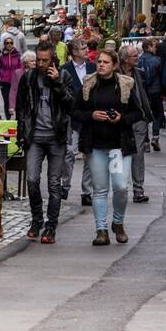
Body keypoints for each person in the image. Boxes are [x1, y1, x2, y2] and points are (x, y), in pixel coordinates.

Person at [71, 46, 143, 245]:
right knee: (100, 189)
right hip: (96, 145)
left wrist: (121, 119)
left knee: (120, 186)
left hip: (119, 146)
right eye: (99, 62)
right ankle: (101, 230)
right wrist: (90, 115)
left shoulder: (125, 85)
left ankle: (117, 222)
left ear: (114, 65)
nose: (101, 65)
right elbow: (75, 111)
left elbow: (138, 113)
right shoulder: (89, 84)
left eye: (105, 62)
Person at [16, 43, 74, 244]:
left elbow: (71, 104)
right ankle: (37, 219)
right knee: (32, 179)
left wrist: (57, 82)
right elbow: (21, 108)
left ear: (53, 60)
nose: (40, 64)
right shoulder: (29, 78)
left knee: (53, 184)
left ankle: (51, 226)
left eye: (44, 60)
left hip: (56, 137)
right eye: (38, 60)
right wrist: (21, 134)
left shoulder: (64, 76)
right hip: (35, 137)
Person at [61, 39, 93, 206]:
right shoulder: (64, 70)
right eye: (83, 47)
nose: (87, 49)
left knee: (90, 154)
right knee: (69, 153)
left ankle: (87, 191)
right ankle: (64, 185)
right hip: (72, 117)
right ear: (74, 52)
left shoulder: (93, 67)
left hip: (90, 117)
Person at [123, 43, 152, 203]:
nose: (137, 58)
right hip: (120, 121)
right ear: (125, 59)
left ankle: (138, 190)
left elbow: (143, 95)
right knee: (120, 154)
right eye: (134, 56)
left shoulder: (139, 73)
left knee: (138, 155)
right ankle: (120, 188)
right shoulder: (115, 74)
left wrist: (146, 114)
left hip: (139, 119)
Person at [137, 38, 165, 151]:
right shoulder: (157, 60)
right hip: (155, 91)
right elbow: (162, 76)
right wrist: (163, 90)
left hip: (143, 91)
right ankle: (155, 137)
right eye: (154, 46)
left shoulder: (138, 60)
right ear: (148, 47)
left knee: (144, 114)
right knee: (157, 114)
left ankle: (146, 141)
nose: (156, 48)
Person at [0, 35, 21, 118]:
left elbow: (21, 68)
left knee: (16, 101)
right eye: (7, 43)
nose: (9, 44)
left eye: (11, 43)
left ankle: (18, 120)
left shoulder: (18, 55)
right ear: (4, 45)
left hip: (15, 82)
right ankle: (8, 120)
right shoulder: (1, 56)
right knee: (7, 102)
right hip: (4, 81)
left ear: (13, 44)